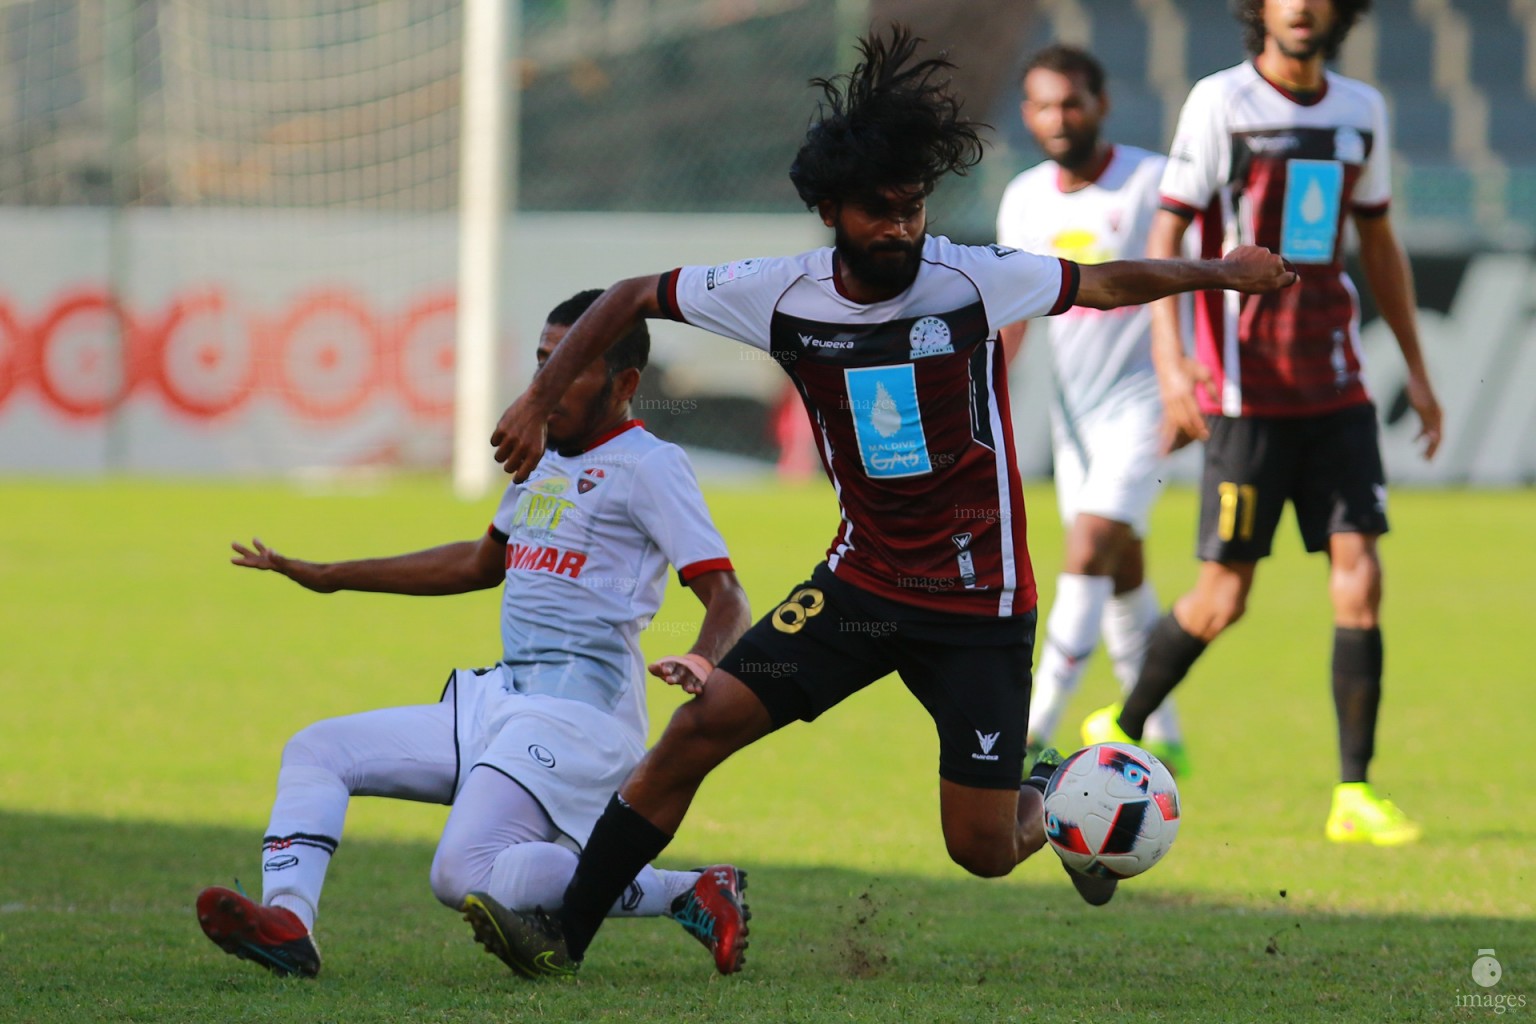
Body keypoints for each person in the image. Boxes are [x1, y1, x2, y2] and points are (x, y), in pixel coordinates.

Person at [483, 25, 1297, 976]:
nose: (902, 229)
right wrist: (538, 402)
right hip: (861, 587)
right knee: (695, 733)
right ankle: (560, 940)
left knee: (982, 850)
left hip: (976, 608)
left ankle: (1052, 796)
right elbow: (625, 297)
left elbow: (1107, 281)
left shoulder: (970, 280)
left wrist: (1224, 274)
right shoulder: (776, 296)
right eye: (880, 212)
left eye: (913, 209)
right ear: (830, 208)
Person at [194, 289, 754, 979]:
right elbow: (480, 562)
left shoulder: (651, 466)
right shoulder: (544, 457)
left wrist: (704, 656)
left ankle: (674, 888)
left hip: (581, 717)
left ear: (626, 384)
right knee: (319, 750)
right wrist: (332, 574)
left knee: (461, 874)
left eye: (569, 367)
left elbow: (728, 596)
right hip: (502, 701)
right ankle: (289, 923)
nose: (544, 386)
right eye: (543, 363)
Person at [1081, 0, 1443, 846]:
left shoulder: (1363, 111)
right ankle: (1122, 725)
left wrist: (1418, 373)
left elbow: (1379, 245)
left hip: (1338, 387)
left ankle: (1354, 793)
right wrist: (1173, 367)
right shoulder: (1222, 103)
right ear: (1262, 10)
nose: (1304, 6)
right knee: (1223, 599)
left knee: (1361, 573)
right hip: (1248, 394)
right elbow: (1168, 231)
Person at [995, 43, 1189, 776]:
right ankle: (1163, 728)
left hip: (1144, 399)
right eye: (1043, 105)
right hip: (1074, 415)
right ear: (1026, 114)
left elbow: (1198, 275)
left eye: (1071, 102)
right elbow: (1013, 310)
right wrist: (990, 392)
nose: (1058, 117)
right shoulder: (1024, 198)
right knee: (1122, 563)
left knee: (1087, 548)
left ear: (1101, 105)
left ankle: (1033, 725)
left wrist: (1185, 381)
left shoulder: (1153, 182)